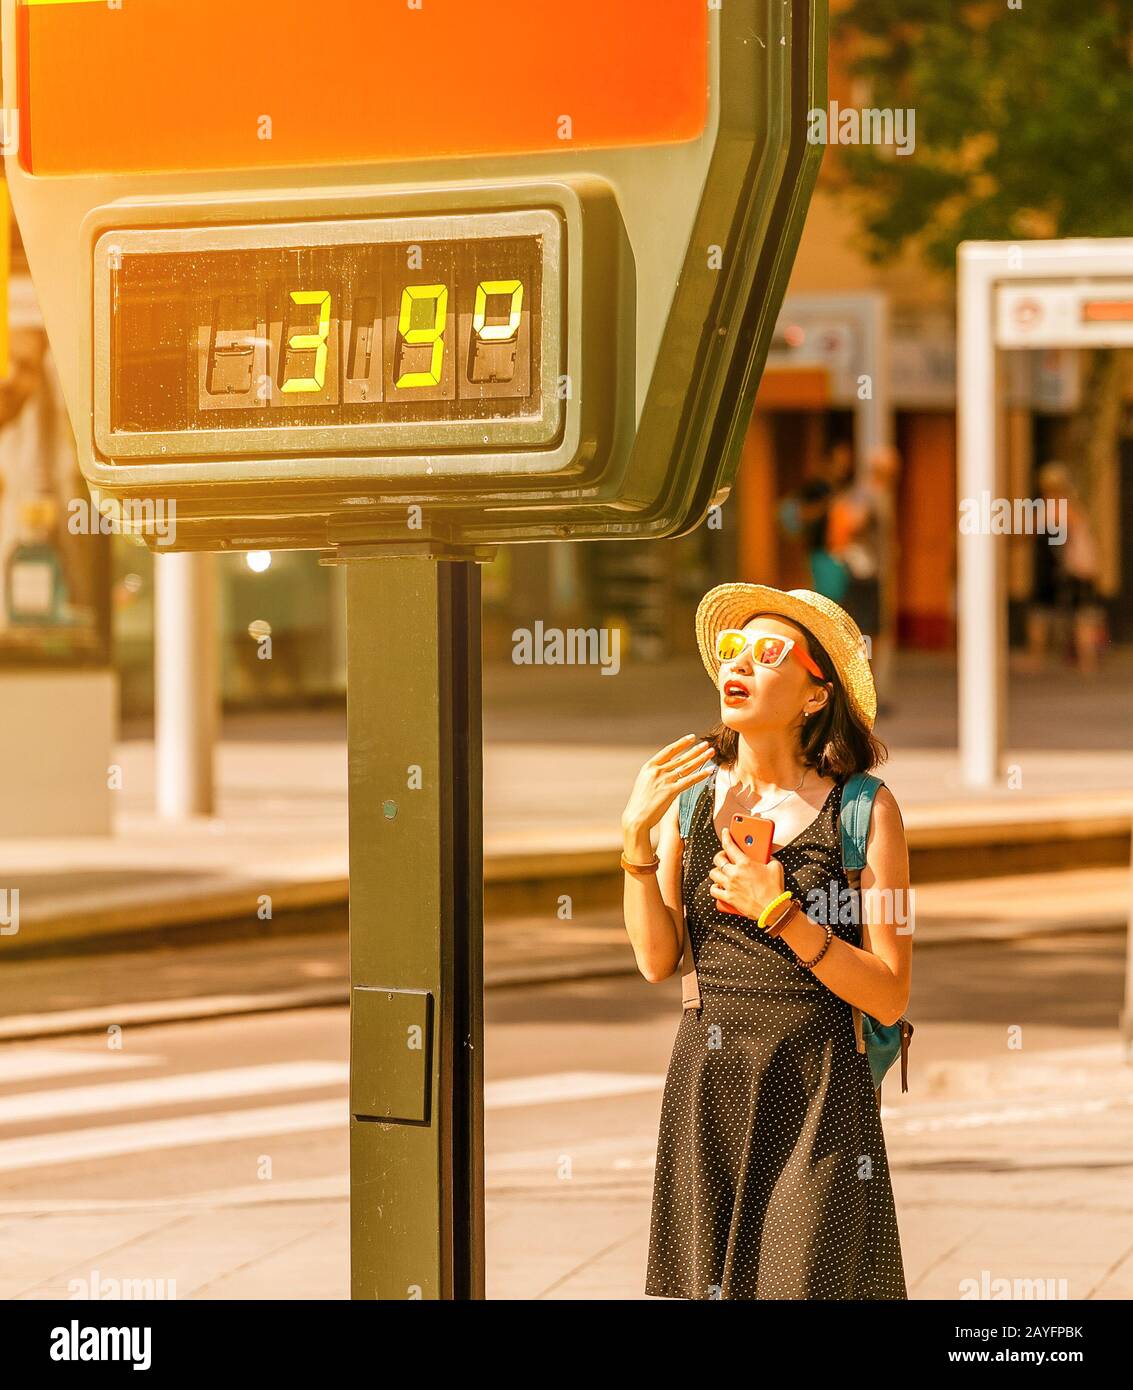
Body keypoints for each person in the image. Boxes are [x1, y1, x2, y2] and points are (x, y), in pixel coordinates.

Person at [621, 583, 911, 1299]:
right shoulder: (688, 803)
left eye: (767, 652)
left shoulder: (864, 808)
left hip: (817, 1085)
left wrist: (778, 911)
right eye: (730, 650)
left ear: (816, 694)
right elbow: (658, 961)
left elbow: (890, 988)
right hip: (708, 1083)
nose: (737, 665)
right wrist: (633, 840)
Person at [826, 444, 900, 706]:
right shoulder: (867, 495)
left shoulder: (873, 493)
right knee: (867, 631)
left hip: (869, 572)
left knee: (872, 631)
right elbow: (851, 522)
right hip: (864, 573)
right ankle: (860, 691)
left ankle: (865, 690)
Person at [1026, 462, 1103, 674]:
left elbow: (1034, 528)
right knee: (1081, 613)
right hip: (1081, 568)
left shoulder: (1059, 508)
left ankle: (1085, 661)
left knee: (1078, 613)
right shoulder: (1071, 506)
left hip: (1077, 568)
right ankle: (1086, 661)